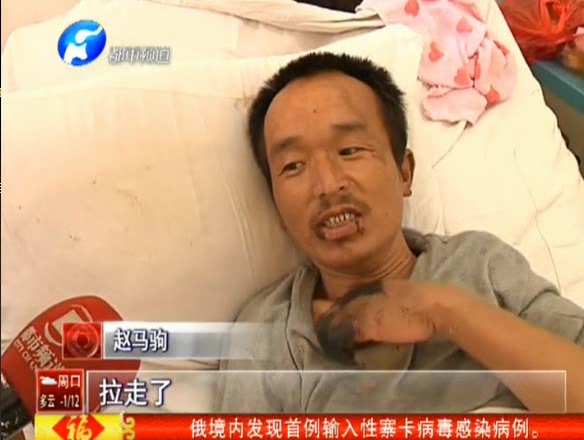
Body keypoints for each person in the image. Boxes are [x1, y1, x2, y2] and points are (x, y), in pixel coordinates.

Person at [215, 52, 584, 413]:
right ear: (277, 207)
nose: (326, 185)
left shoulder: (481, 265)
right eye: (293, 165)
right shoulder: (265, 335)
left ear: (404, 173)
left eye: (349, 150)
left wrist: (448, 312)